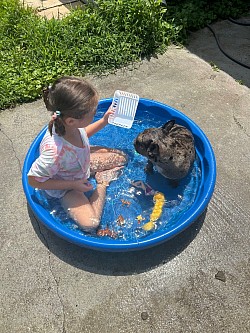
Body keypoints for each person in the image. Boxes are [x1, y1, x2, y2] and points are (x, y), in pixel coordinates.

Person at [28, 76, 127, 232]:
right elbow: (33, 181)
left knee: (122, 157)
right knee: (91, 224)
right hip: (66, 187)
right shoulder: (54, 153)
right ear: (71, 121)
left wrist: (103, 121)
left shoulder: (66, 124)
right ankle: (102, 182)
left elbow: (83, 134)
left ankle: (93, 172)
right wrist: (72, 185)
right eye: (92, 113)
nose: (95, 113)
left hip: (78, 164)